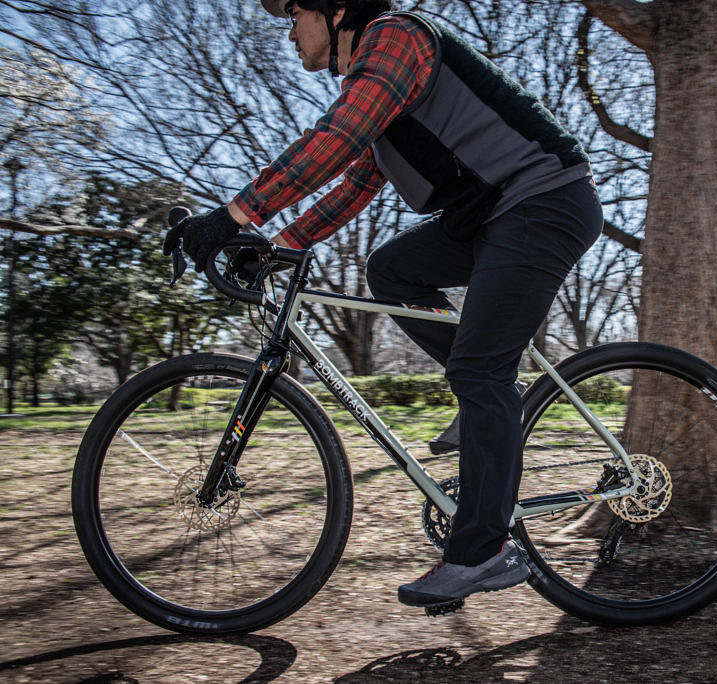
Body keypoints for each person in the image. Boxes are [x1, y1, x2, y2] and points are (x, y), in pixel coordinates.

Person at [163, 0, 603, 610]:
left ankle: (483, 550)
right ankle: (487, 399)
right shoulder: (377, 86)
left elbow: (337, 139)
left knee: (482, 370)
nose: (288, 31)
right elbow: (355, 183)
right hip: (492, 214)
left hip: (542, 200)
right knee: (392, 269)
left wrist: (235, 214)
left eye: (293, 13)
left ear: (336, 9)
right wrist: (277, 245)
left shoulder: (396, 38)